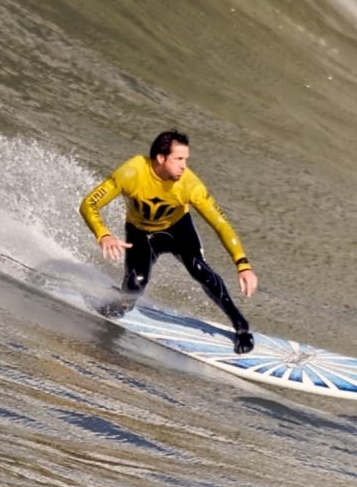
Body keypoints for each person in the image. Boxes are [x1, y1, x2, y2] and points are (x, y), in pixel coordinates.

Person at [78, 130, 260, 354]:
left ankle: (241, 326)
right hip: (141, 233)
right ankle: (124, 301)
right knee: (135, 286)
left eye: (186, 159)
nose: (184, 166)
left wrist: (243, 265)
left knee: (200, 270)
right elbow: (89, 204)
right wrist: (103, 234)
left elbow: (220, 223)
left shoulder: (190, 186)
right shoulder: (132, 173)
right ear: (161, 158)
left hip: (178, 230)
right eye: (179, 159)